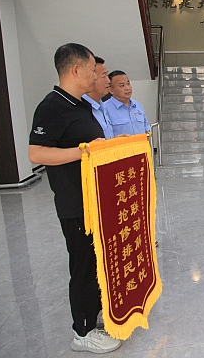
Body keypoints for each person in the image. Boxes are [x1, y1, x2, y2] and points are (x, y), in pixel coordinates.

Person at [29, 43, 121, 353]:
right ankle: (82, 332)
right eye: (93, 70)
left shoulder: (80, 105)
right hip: (75, 204)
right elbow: (36, 153)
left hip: (95, 200)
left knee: (97, 263)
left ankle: (96, 315)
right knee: (82, 266)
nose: (96, 76)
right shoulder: (52, 106)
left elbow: (91, 145)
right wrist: (82, 152)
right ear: (76, 69)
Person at [105, 70, 151, 136]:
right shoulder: (105, 109)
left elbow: (146, 129)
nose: (127, 88)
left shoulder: (137, 105)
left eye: (128, 83)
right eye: (122, 85)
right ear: (111, 90)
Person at [82, 56, 114, 139]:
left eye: (107, 75)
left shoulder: (102, 106)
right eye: (103, 76)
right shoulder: (82, 108)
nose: (108, 81)